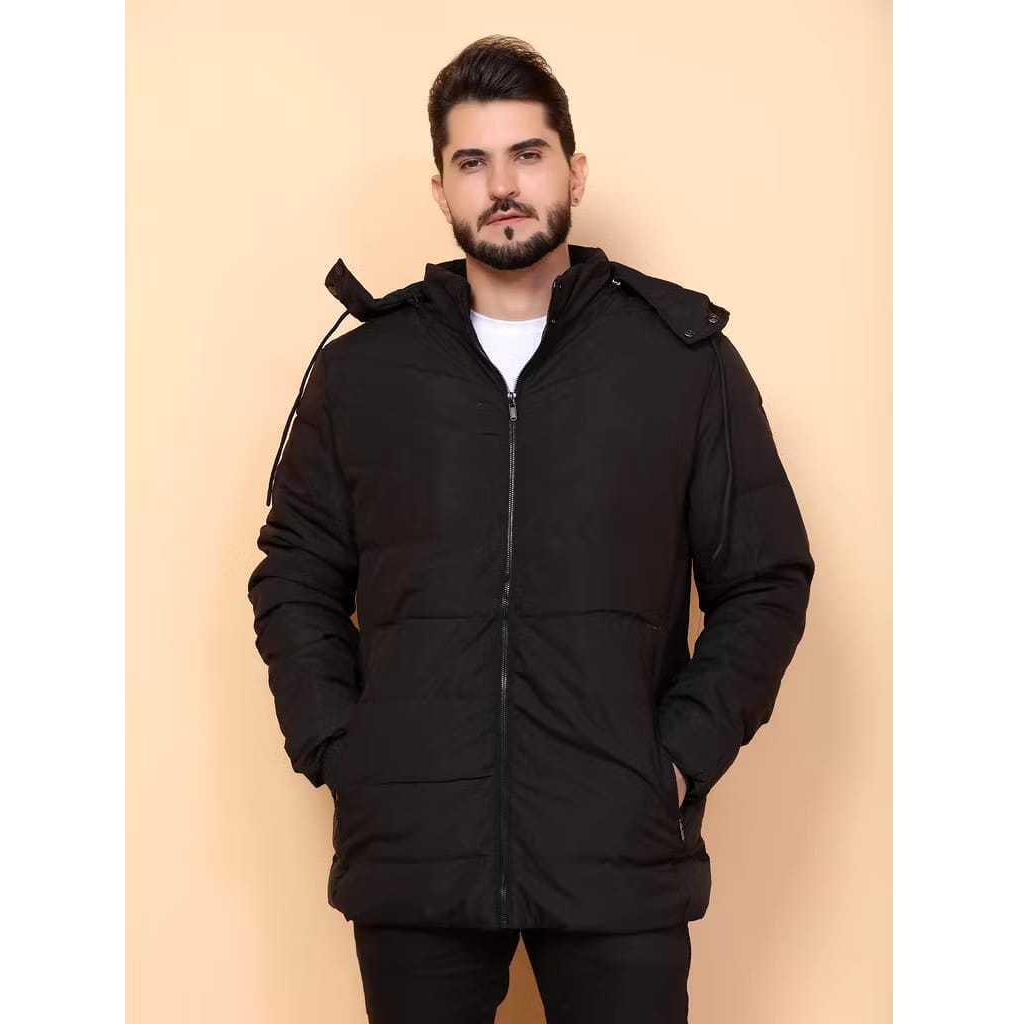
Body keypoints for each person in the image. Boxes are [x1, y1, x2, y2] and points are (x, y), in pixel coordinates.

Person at [247, 34, 815, 1024]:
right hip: (416, 849)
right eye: (472, 161)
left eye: (527, 154)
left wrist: (676, 756)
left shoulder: (679, 362)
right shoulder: (365, 373)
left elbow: (766, 578)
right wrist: (345, 749)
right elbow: (293, 575)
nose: (502, 184)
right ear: (440, 189)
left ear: (574, 171)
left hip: (616, 844)